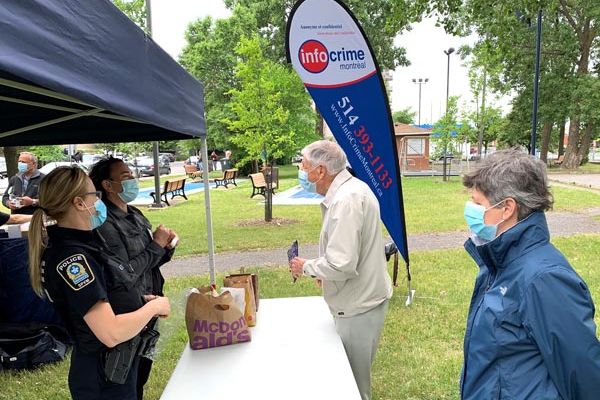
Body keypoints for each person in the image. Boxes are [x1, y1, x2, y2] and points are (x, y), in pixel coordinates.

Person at [460, 150, 600, 399]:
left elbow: (583, 375)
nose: (470, 210)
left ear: (507, 208)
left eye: (478, 203)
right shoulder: (499, 263)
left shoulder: (545, 279)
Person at [28, 166, 171, 400]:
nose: (99, 201)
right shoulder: (73, 259)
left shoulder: (85, 244)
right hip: (104, 373)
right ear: (79, 203)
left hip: (115, 367)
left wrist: (137, 302)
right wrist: (153, 308)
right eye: (95, 195)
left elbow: (100, 295)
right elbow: (110, 332)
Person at [289, 140, 392, 400]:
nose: (301, 170)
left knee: (353, 388)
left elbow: (341, 263)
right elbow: (347, 255)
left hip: (358, 307)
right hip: (357, 301)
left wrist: (307, 267)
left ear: (320, 170)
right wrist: (325, 275)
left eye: (303, 164)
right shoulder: (349, 192)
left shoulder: (347, 200)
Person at [89, 157, 178, 400]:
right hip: (127, 315)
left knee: (140, 378)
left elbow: (150, 263)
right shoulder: (104, 223)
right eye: (126, 176)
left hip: (148, 310)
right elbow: (124, 274)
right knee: (124, 381)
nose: (133, 181)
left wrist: (166, 247)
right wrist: (157, 245)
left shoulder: (136, 215)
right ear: (108, 185)